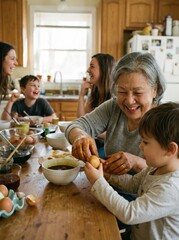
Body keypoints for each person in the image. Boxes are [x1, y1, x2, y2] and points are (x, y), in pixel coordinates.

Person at [84, 102, 179, 240]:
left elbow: (129, 213)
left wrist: (98, 182)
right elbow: (133, 183)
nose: (140, 146)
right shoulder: (155, 168)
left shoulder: (170, 189)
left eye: (146, 142)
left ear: (170, 149)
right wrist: (106, 175)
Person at [65, 52, 166, 175]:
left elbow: (171, 175)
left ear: (154, 90)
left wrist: (136, 163)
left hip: (144, 194)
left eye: (138, 92)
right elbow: (75, 125)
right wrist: (80, 136)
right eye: (122, 91)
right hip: (105, 187)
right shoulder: (114, 107)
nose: (129, 101)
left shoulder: (166, 120)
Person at [77, 53, 115, 158]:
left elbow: (118, 134)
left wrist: (92, 130)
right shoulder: (94, 93)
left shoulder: (116, 96)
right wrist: (81, 95)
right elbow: (82, 119)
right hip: (95, 142)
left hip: (109, 147)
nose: (88, 70)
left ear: (104, 70)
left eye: (92, 66)